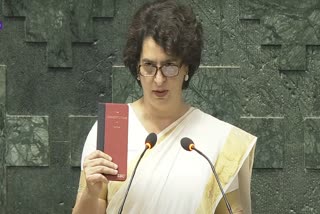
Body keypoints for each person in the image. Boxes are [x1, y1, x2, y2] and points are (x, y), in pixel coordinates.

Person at [72, 0, 257, 213]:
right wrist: (92, 193)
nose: (159, 80)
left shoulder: (218, 141)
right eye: (149, 66)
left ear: (186, 67)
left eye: (169, 66)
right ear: (137, 67)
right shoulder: (111, 129)